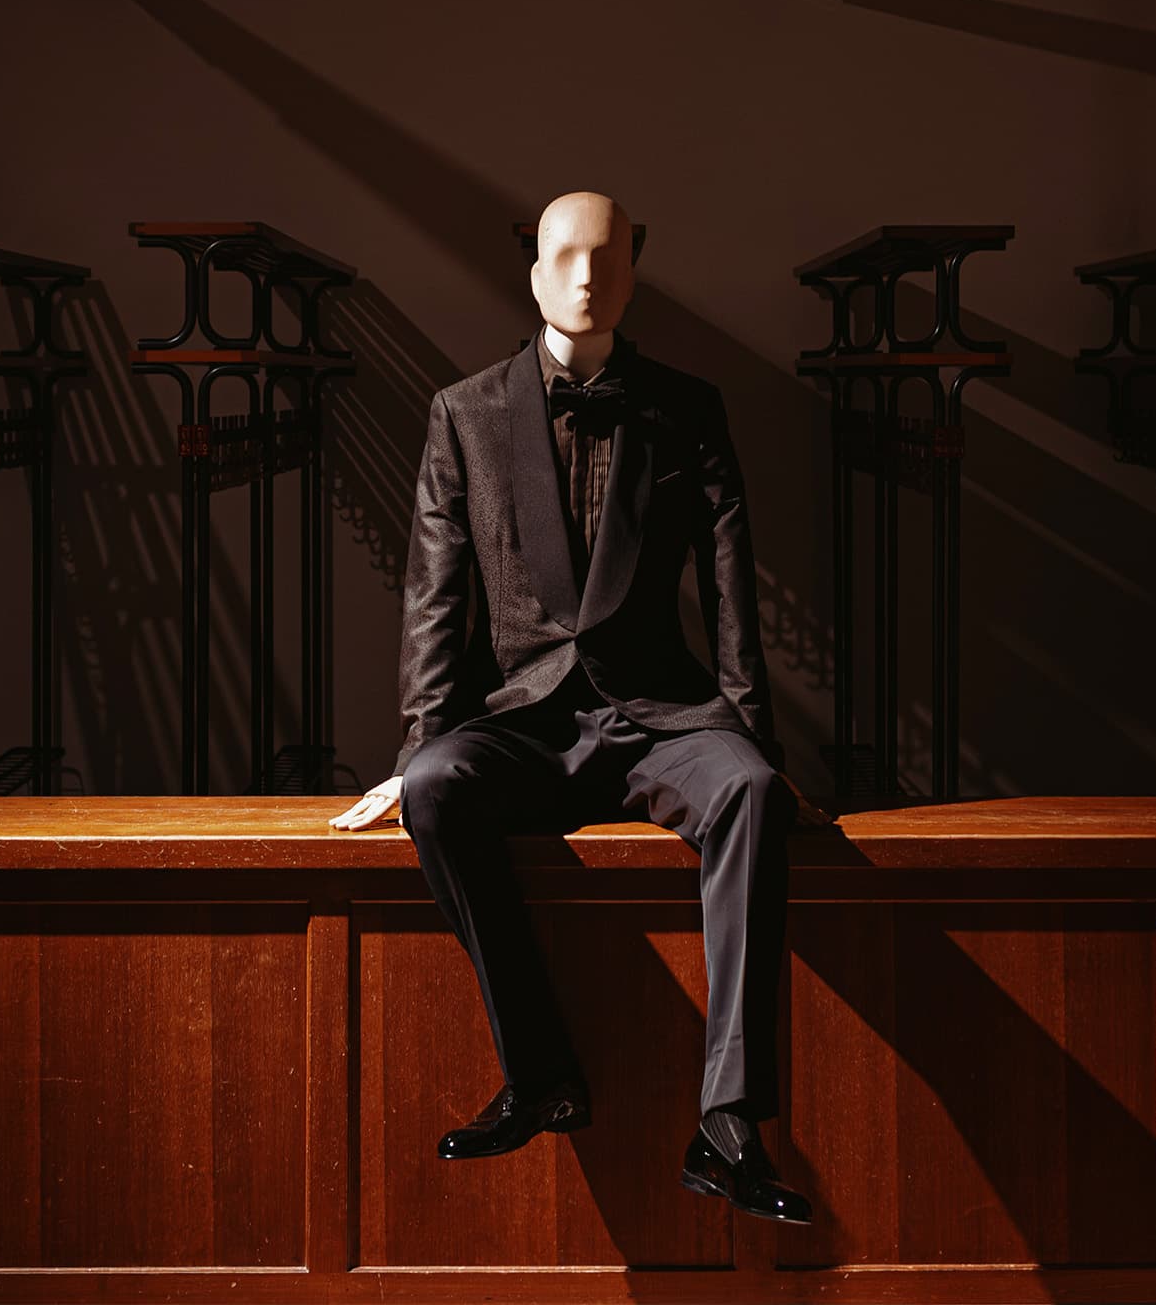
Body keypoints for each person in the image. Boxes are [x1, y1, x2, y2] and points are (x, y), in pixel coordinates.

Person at [326, 190, 821, 1225]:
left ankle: (729, 1122)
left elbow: (732, 590)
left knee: (753, 794)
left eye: (609, 257)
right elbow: (435, 596)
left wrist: (749, 736)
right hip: (522, 720)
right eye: (567, 255)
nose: (589, 276)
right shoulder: (463, 412)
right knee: (434, 788)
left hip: (662, 719)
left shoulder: (689, 407)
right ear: (534, 268)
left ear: (635, 270)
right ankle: (541, 1071)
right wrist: (422, 742)